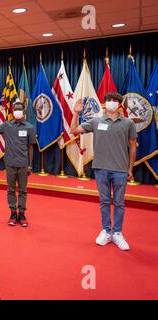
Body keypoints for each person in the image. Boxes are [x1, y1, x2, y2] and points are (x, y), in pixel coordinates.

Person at [70, 92, 137, 251]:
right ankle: (106, 231)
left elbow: (133, 145)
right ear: (104, 103)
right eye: (109, 100)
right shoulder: (96, 121)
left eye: (115, 101)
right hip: (101, 169)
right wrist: (76, 112)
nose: (112, 103)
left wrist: (130, 168)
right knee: (104, 202)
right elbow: (73, 130)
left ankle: (118, 233)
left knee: (119, 203)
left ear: (120, 104)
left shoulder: (128, 123)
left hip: (120, 170)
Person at [0, 102, 37, 227]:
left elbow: (31, 147)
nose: (17, 111)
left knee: (23, 190)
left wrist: (30, 165)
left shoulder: (29, 127)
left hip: (23, 164)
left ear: (24, 111)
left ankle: (21, 214)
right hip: (10, 164)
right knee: (11, 190)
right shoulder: (7, 125)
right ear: (12, 111)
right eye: (15, 109)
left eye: (19, 109)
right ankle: (12, 212)